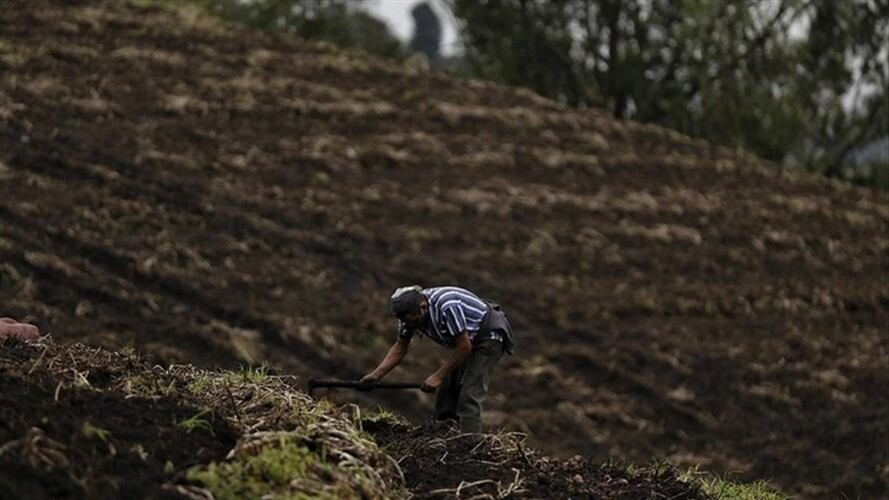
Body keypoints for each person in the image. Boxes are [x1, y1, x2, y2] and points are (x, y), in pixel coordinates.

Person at [360, 285, 514, 433]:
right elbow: (400, 348)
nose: (410, 324)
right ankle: (445, 432)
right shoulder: (407, 315)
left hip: (489, 336)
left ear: (422, 307)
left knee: (469, 394)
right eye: (406, 321)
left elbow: (464, 347)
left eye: (413, 320)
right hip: (468, 341)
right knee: (447, 389)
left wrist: (437, 376)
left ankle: (471, 443)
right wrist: (376, 375)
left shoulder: (447, 306)